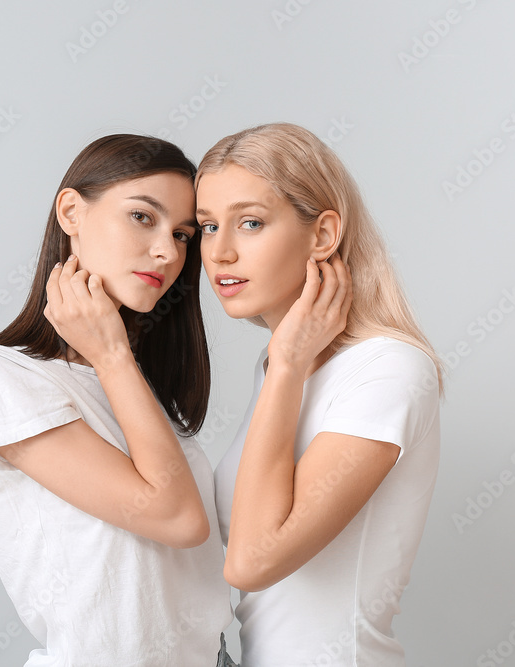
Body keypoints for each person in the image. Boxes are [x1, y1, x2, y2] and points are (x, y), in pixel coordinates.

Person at [0, 134, 235, 666]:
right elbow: (177, 518)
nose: (168, 252)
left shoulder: (132, 384)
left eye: (182, 234)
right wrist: (111, 354)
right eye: (142, 217)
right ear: (72, 211)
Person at [195, 122, 445, 666]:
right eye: (208, 227)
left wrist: (288, 365)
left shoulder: (387, 370)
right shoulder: (282, 368)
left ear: (323, 234)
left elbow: (252, 563)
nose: (221, 252)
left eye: (251, 223)